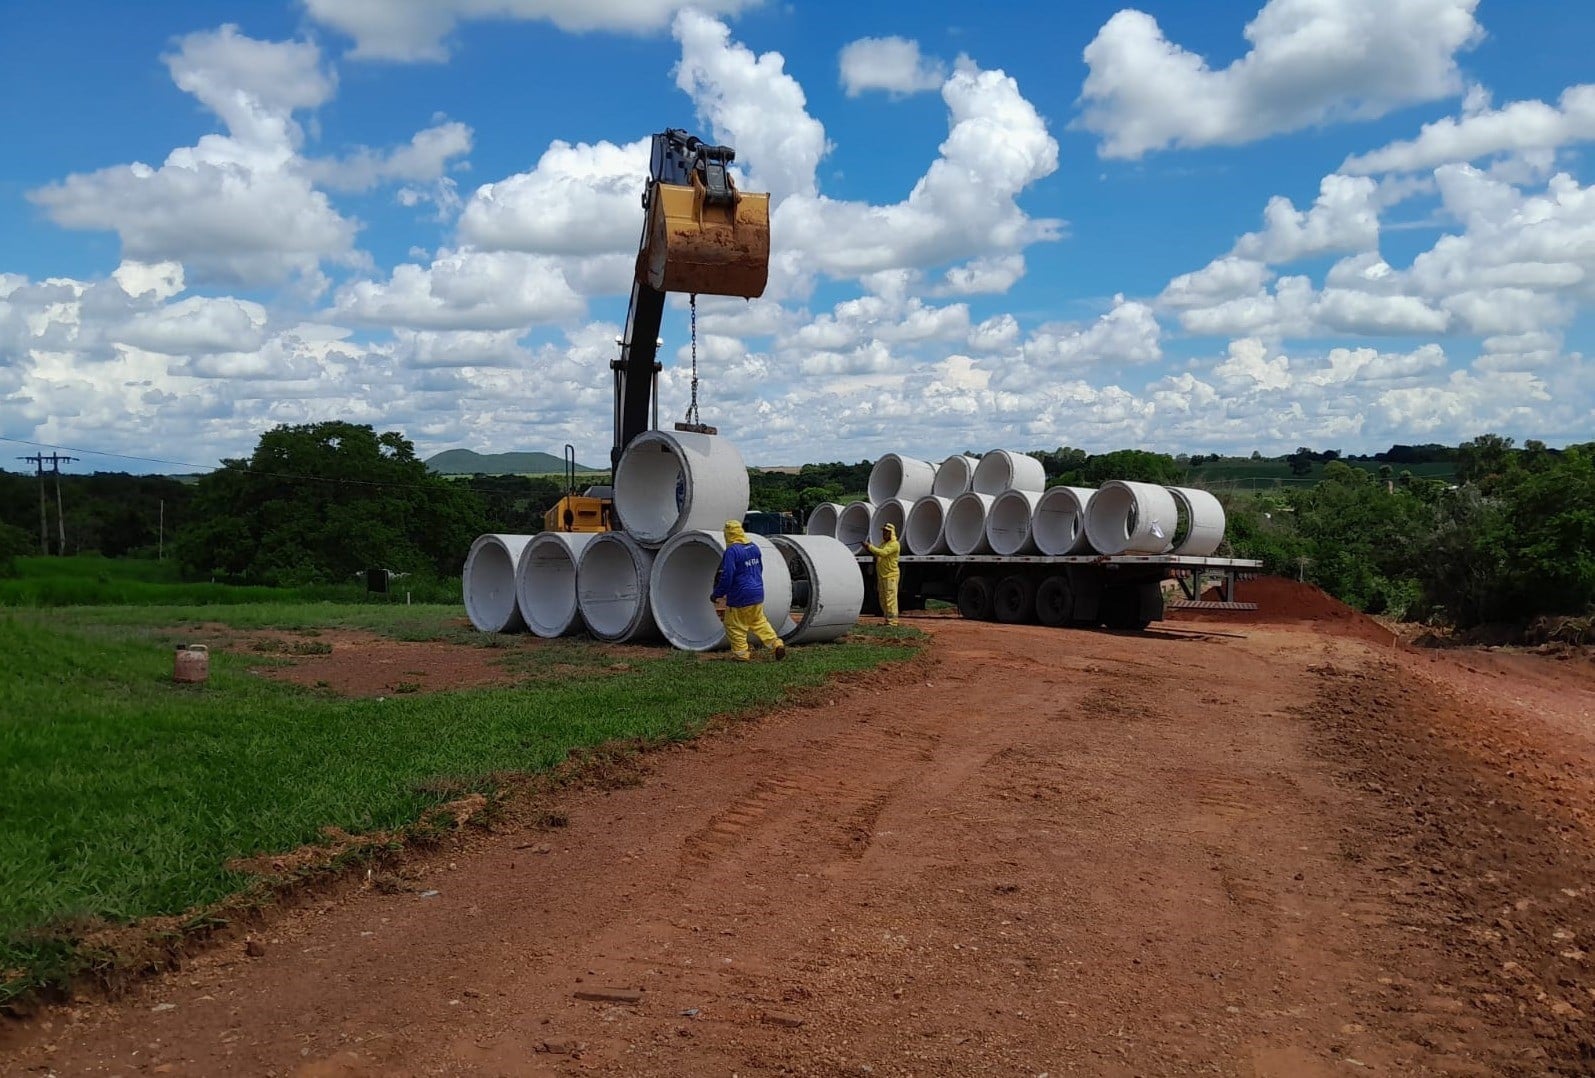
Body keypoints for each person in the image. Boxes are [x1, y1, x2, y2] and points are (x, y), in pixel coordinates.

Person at [712, 520, 787, 662]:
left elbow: (727, 575)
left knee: (734, 625)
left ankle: (741, 655)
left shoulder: (732, 551)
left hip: (740, 595)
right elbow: (759, 569)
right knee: (759, 621)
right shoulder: (754, 547)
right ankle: (776, 643)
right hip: (757, 592)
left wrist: (717, 593)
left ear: (728, 534)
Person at [864, 521, 900, 626]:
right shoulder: (883, 544)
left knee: (890, 598)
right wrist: (869, 550)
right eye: (883, 532)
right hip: (882, 575)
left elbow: (883, 553)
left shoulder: (894, 544)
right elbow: (878, 554)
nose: (884, 534)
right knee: (883, 598)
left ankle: (892, 622)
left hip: (890, 575)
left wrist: (870, 547)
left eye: (886, 532)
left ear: (891, 533)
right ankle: (887, 620)